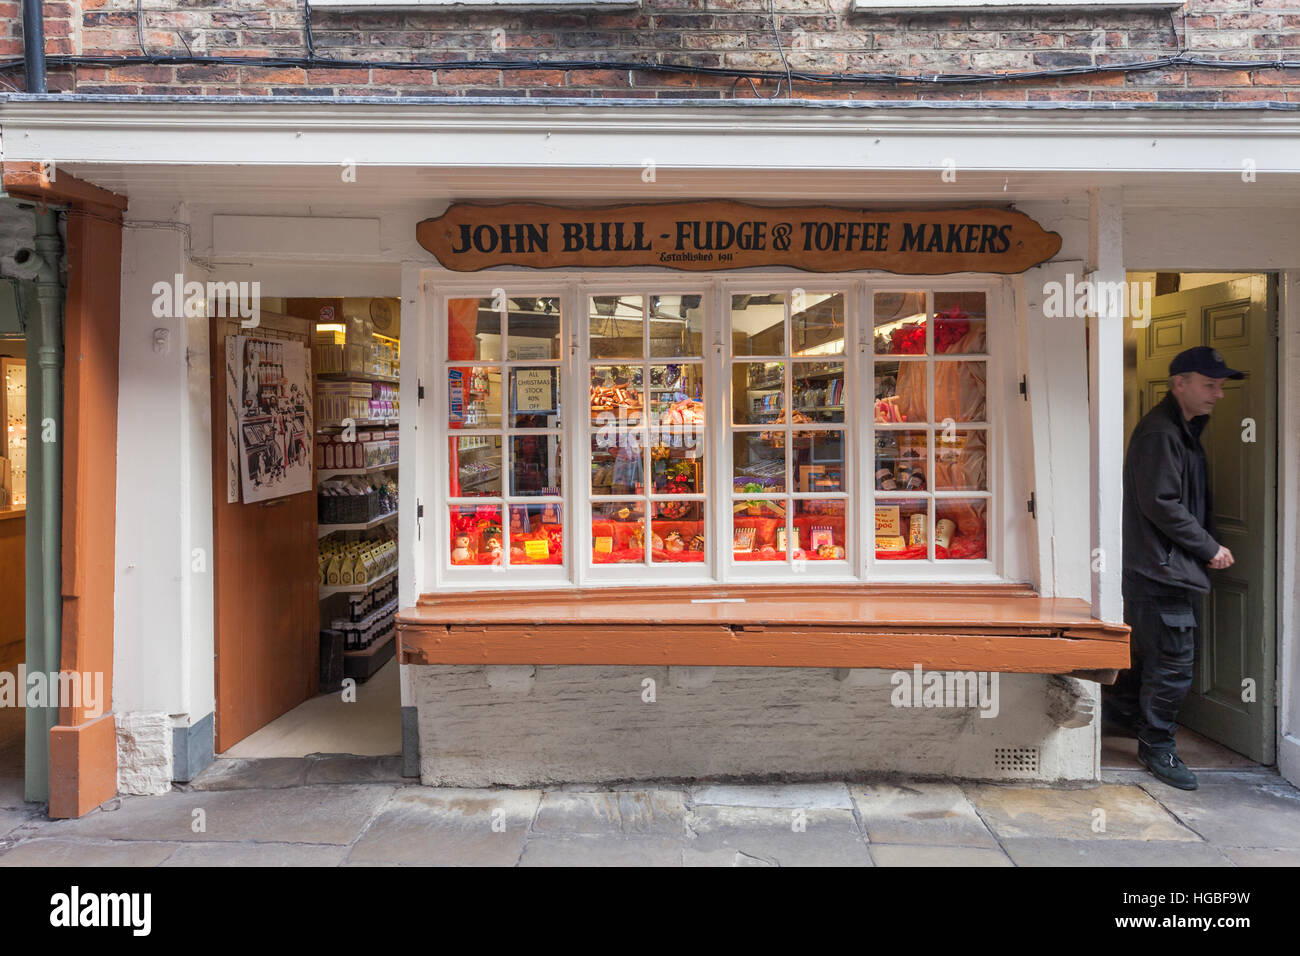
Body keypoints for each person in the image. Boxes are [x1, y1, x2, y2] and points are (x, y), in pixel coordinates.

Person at [1106, 346, 1242, 791]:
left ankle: (1125, 720)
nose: (1217, 395)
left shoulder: (1179, 430)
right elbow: (1160, 502)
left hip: (1160, 567)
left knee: (1147, 654)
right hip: (1160, 569)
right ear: (1179, 383)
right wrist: (1208, 547)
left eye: (1220, 385)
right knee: (1174, 663)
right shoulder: (1162, 435)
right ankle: (1157, 744)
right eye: (1209, 385)